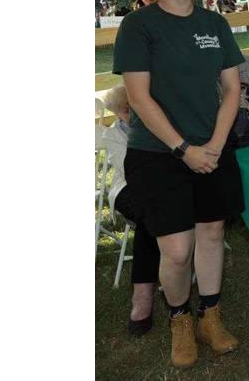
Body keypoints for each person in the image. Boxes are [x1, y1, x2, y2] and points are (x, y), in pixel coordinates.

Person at [112, 0, 246, 369]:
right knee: (176, 252)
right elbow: (139, 97)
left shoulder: (215, 23)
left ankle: (211, 314)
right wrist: (183, 149)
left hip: (211, 149)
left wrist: (216, 145)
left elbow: (231, 89)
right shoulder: (139, 25)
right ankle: (180, 320)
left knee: (210, 236)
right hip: (157, 153)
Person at [101, 86, 162, 337]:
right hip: (128, 188)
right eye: (125, 111)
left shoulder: (157, 124)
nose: (130, 114)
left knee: (154, 215)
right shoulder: (113, 136)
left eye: (133, 108)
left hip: (161, 186)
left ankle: (146, 293)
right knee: (151, 217)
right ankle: (145, 292)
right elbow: (129, 171)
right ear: (117, 113)